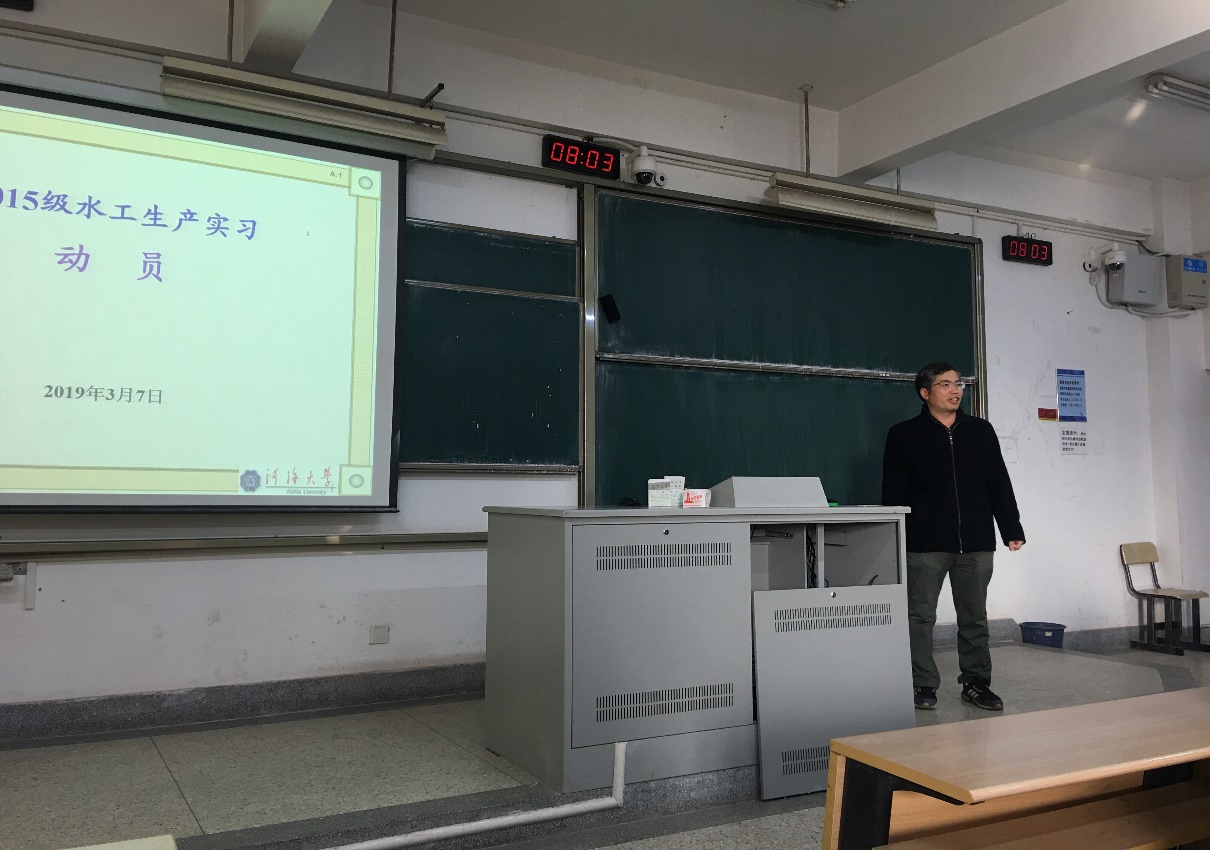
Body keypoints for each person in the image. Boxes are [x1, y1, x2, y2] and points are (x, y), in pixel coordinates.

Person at [882, 362, 1025, 712]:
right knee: (919, 617)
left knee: (974, 617)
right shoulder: (903, 434)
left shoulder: (980, 431)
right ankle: (922, 683)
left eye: (958, 383)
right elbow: (893, 492)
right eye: (945, 384)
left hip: (975, 541)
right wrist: (894, 536)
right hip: (924, 543)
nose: (955, 390)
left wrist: (1011, 528)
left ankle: (976, 683)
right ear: (925, 392)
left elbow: (998, 481)